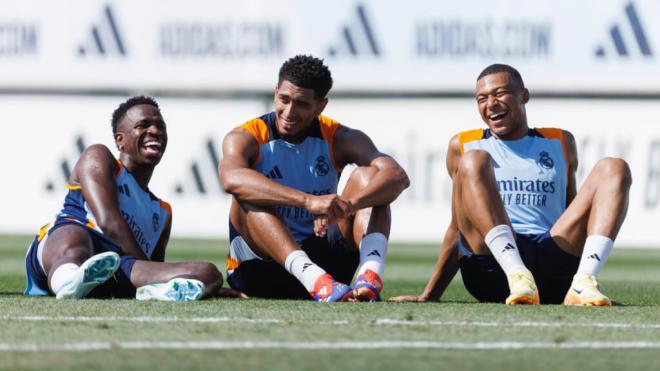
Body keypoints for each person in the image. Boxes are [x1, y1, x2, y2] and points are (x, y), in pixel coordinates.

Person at [391, 64, 631, 306]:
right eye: (482, 98)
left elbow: (574, 211)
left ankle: (584, 283)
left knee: (615, 167)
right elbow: (458, 226)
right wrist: (430, 295)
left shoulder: (560, 141)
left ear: (523, 96)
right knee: (475, 159)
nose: (491, 104)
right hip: (493, 270)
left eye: (500, 93)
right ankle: (518, 275)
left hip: (552, 265)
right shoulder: (463, 145)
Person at [219, 55, 409, 302]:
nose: (289, 112)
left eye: (301, 104)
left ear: (321, 106)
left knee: (370, 178)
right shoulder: (246, 136)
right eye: (284, 99)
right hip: (261, 272)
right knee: (246, 194)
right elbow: (231, 179)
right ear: (276, 92)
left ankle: (369, 277)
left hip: (327, 268)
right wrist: (308, 202)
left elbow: (397, 177)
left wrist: (347, 206)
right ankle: (313, 279)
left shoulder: (339, 137)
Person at [25, 96, 234, 301]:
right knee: (76, 236)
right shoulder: (98, 156)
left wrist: (191, 279)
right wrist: (152, 275)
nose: (154, 131)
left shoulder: (163, 213)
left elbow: (153, 265)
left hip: (115, 269)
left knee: (209, 272)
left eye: (160, 125)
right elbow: (109, 223)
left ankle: (157, 293)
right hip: (61, 250)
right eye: (143, 125)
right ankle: (69, 282)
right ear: (120, 140)